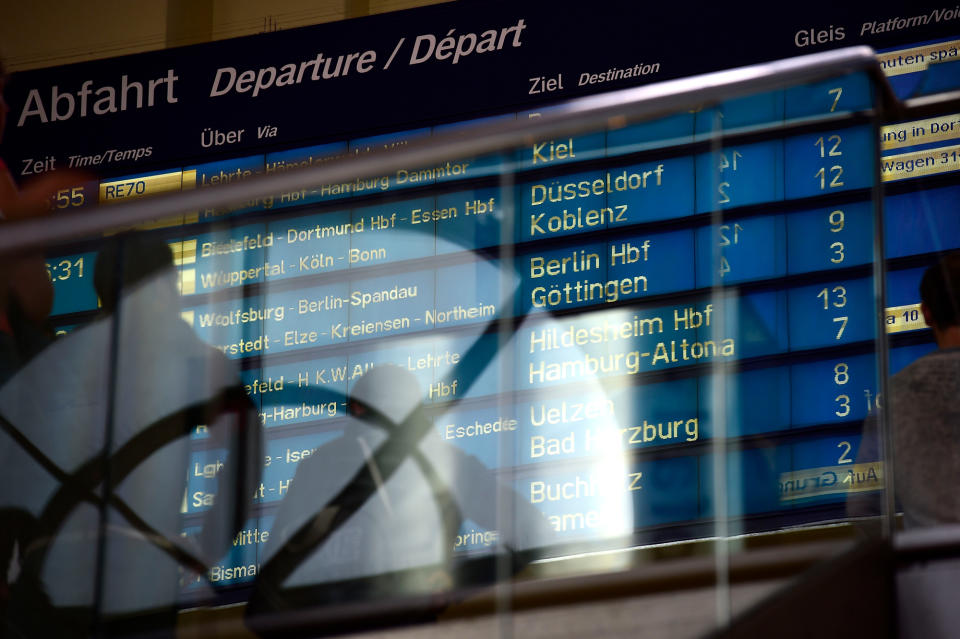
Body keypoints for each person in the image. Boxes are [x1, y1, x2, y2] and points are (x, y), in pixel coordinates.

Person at [0, 235, 261, 637]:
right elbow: (248, 449)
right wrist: (206, 548)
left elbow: (13, 468)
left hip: (51, 586)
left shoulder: (57, 361)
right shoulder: (196, 364)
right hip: (140, 592)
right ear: (161, 288)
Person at [249, 364, 552, 625]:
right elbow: (534, 532)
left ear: (356, 410)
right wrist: (454, 582)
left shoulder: (322, 466)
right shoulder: (441, 463)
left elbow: (272, 583)